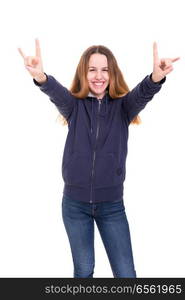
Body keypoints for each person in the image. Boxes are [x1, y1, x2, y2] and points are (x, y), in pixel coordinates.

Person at [18, 39, 179, 278]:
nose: (98, 76)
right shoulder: (74, 106)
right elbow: (54, 92)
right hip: (74, 205)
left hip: (111, 206)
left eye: (105, 69)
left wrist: (155, 78)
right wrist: (41, 76)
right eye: (92, 69)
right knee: (84, 271)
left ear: (112, 74)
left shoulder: (124, 108)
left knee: (125, 274)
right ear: (84, 74)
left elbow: (143, 94)